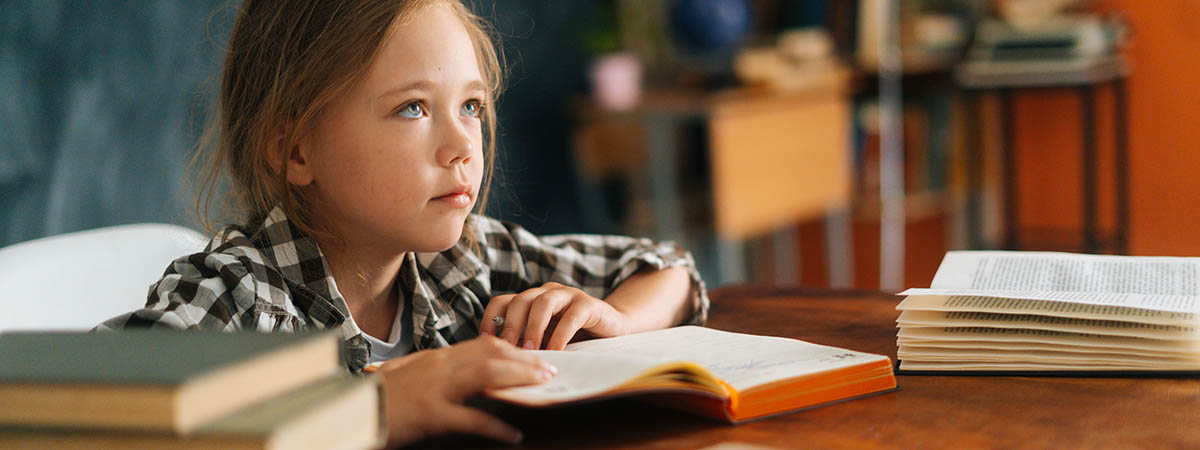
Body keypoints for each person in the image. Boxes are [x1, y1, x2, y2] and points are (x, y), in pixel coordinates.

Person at [98, 0, 709, 446]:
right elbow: (73, 415)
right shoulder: (237, 294)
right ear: (296, 150)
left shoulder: (464, 263)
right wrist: (366, 407)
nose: (462, 146)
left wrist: (620, 320)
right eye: (412, 108)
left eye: (470, 105)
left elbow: (667, 270)